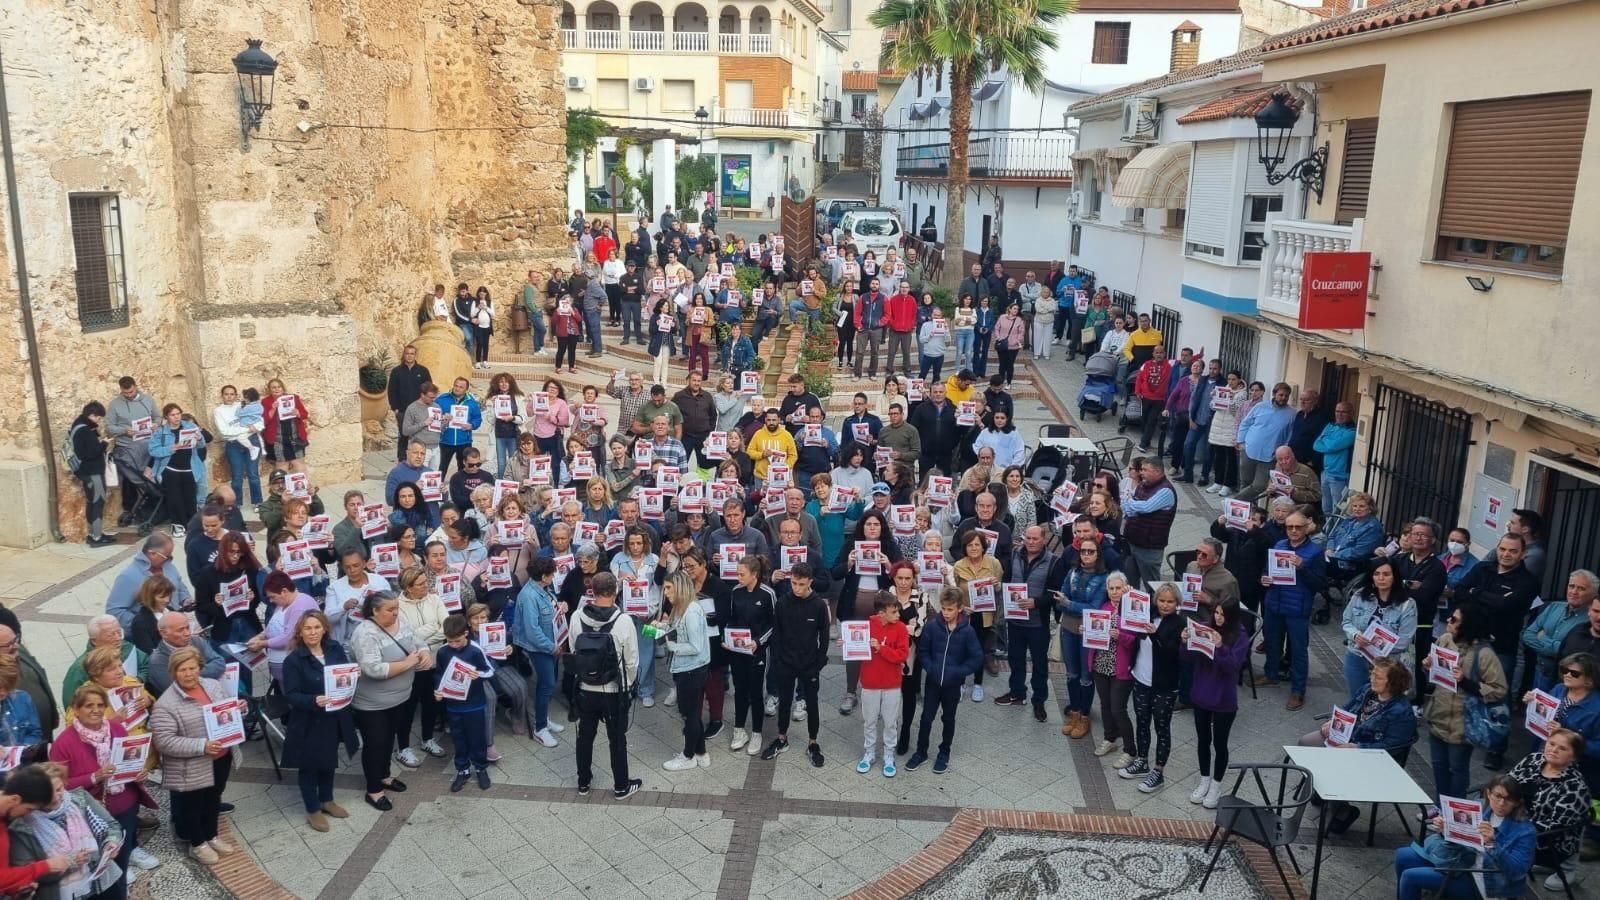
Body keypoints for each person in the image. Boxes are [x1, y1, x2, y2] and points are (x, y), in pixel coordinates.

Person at [1300, 657, 1417, 833]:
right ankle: (1322, 788)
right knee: (1305, 743)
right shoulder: (1368, 690)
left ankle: (1343, 809)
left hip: (1372, 756)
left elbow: (1392, 747)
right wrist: (1333, 722)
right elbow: (1347, 708)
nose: (1372, 678)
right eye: (1372, 673)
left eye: (1378, 677)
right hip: (1347, 738)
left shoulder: (1402, 712)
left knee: (1330, 762)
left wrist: (1358, 748)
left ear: (1393, 683)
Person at [149, 647, 236, 865]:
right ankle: (197, 843)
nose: (189, 674)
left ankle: (211, 835)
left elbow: (224, 711)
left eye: (193, 668)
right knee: (193, 805)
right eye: (182, 669)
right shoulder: (166, 704)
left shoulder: (213, 685)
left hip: (220, 757)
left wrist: (236, 711)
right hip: (192, 765)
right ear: (173, 673)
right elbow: (164, 741)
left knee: (213, 798)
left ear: (200, 668)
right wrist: (201, 746)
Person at [1393, 775, 1534, 900]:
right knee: (1402, 855)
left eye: (1508, 799)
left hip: (1484, 883)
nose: (1502, 803)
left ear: (1516, 802)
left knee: (1410, 877)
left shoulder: (1525, 831)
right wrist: (1445, 830)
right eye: (1498, 796)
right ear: (1489, 794)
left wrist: (1492, 844)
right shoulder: (1481, 809)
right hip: (1463, 861)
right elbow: (1463, 840)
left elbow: (1517, 871)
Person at [349, 590, 428, 812]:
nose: (396, 613)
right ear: (375, 611)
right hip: (373, 703)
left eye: (397, 608)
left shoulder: (400, 620)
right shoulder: (365, 633)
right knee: (375, 743)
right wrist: (409, 662)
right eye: (390, 610)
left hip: (400, 697)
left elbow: (417, 639)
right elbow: (373, 669)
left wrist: (424, 651)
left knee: (388, 739)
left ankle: (384, 776)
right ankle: (373, 790)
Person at [279, 610, 357, 831]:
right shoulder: (293, 660)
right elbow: (291, 695)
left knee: (329, 760)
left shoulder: (334, 648)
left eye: (316, 627)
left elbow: (344, 673)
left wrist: (351, 677)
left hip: (333, 715)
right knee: (309, 766)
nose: (313, 632)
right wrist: (314, 700)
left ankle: (327, 799)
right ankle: (312, 809)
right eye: (308, 628)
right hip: (308, 720)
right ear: (300, 632)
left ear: (324, 629)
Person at [569, 573, 642, 799]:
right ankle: (621, 786)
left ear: (592, 591)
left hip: (585, 689)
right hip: (613, 691)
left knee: (585, 736)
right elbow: (632, 660)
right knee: (617, 739)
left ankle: (583, 782)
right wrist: (628, 686)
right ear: (616, 591)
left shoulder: (576, 617)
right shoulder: (624, 621)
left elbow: (574, 650)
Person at [1423, 604, 1506, 802]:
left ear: (1468, 625)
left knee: (1458, 768)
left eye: (1454, 620)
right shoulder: (1444, 640)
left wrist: (1466, 682)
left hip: (1464, 724)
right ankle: (1440, 806)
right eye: (1450, 618)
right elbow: (1435, 674)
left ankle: (1456, 810)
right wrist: (1428, 665)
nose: (1448, 622)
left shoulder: (1484, 654)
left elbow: (1499, 690)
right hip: (1439, 715)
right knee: (1439, 766)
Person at [905, 588, 984, 774]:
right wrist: (930, 668)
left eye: (950, 609)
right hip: (933, 682)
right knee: (926, 718)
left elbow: (976, 657)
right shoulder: (933, 626)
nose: (946, 613)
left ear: (959, 609)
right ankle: (921, 752)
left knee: (948, 718)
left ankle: (944, 752)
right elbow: (923, 650)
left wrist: (959, 672)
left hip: (952, 684)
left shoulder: (967, 631)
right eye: (944, 609)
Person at [761, 561, 831, 764]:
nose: (797, 588)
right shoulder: (783, 602)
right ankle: (782, 738)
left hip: (809, 664)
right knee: (784, 701)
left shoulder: (818, 605)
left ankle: (813, 742)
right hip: (786, 663)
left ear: (810, 582)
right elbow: (777, 634)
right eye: (794, 583)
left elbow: (824, 636)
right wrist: (778, 660)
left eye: (802, 584)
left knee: (812, 703)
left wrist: (818, 663)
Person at [1116, 583, 1183, 793]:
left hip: (1164, 685)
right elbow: (1125, 614)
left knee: (1162, 727)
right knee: (1142, 722)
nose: (1165, 605)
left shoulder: (1180, 623)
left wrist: (1155, 635)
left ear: (1177, 603)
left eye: (1170, 601)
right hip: (1141, 678)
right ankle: (1143, 760)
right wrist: (1128, 596)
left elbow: (1172, 652)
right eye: (1162, 600)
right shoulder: (1148, 614)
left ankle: (1158, 771)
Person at [1255, 510, 1324, 711]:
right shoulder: (1279, 545)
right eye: (1289, 527)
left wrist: (1303, 567)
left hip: (1297, 607)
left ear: (1306, 528)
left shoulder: (1315, 551)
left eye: (1298, 527)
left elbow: (1319, 584)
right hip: (1275, 602)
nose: (1293, 530)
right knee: (1272, 642)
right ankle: (1271, 674)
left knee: (1298, 650)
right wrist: (1264, 578)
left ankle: (1298, 690)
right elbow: (1268, 570)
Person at [1506, 728, 1592, 888]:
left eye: (1563, 748)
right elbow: (1507, 785)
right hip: (1516, 823)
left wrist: (1514, 831)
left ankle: (1567, 869)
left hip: (1548, 841)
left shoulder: (1574, 786)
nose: (1554, 749)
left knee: (1495, 849)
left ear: (1573, 756)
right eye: (1551, 743)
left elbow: (1556, 825)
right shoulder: (1533, 759)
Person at [1186, 596, 1250, 809]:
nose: (1218, 618)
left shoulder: (1240, 636)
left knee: (1220, 743)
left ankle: (1216, 784)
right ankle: (1204, 779)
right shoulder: (1204, 627)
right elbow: (1185, 657)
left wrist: (1220, 646)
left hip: (1224, 698)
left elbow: (1233, 667)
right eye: (1216, 613)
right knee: (1203, 740)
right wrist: (1185, 640)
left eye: (1223, 614)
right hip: (1201, 693)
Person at [996, 526, 1056, 723]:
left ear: (1043, 539)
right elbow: (1006, 580)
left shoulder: (1053, 560)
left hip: (1038, 622)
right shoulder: (1014, 555)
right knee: (1015, 658)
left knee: (1039, 663)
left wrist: (1036, 602)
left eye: (1035, 539)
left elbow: (1055, 594)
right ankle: (1017, 692)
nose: (1030, 542)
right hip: (1015, 620)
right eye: (1027, 538)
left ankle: (1039, 700)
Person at [1341, 558, 1418, 705]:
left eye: (1386, 574)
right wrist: (1356, 635)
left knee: (1382, 704)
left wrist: (1377, 648)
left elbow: (1404, 640)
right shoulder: (1360, 596)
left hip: (1387, 663)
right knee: (1357, 701)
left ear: (1395, 577)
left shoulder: (1407, 605)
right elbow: (1346, 622)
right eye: (1377, 574)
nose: (1381, 578)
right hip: (1357, 656)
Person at [431, 614, 494, 793]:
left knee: (477, 737)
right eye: (450, 641)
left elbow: (489, 670)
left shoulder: (475, 650)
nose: (453, 645)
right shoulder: (443, 651)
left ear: (466, 634)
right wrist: (438, 690)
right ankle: (462, 769)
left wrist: (479, 675)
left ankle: (481, 767)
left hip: (474, 703)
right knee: (458, 737)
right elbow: (439, 674)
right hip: (453, 704)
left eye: (457, 641)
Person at [658, 570, 712, 771]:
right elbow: (678, 632)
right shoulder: (680, 609)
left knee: (689, 715)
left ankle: (688, 756)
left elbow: (695, 646)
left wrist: (673, 647)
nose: (666, 592)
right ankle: (701, 752)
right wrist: (663, 628)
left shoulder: (691, 611)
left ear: (680, 587)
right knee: (692, 714)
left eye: (669, 588)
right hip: (687, 669)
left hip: (692, 670)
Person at [853, 592, 910, 776]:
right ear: (881, 613)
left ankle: (888, 755)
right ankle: (869, 752)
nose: (898, 615)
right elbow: (856, 646)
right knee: (869, 721)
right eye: (894, 612)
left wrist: (881, 648)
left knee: (890, 722)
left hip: (892, 684)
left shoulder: (901, 628)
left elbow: (902, 655)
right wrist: (847, 643)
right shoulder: (866, 626)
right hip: (870, 682)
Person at [726, 556, 777, 756]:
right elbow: (731, 619)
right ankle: (739, 729)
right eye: (737, 573)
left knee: (756, 691)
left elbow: (773, 624)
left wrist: (758, 642)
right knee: (739, 689)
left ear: (754, 574)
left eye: (742, 574)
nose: (738, 577)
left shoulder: (767, 594)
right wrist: (728, 639)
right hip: (738, 650)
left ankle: (756, 732)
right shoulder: (735, 592)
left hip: (758, 651)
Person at [1524, 571, 1598, 693]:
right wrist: (1556, 645)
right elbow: (1527, 635)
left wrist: (1543, 638)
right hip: (1539, 673)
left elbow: (1572, 652)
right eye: (1571, 586)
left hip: (1566, 681)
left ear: (1593, 594)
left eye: (1581, 589)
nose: (1574, 592)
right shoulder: (1554, 606)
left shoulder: (1590, 620)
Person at [146, 403, 207, 533]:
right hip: (170, 469)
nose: (176, 417)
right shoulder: (161, 431)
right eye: (173, 415)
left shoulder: (190, 426)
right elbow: (153, 450)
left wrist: (199, 437)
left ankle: (192, 525)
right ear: (167, 417)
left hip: (189, 468)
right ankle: (178, 525)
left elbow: (201, 445)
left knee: (190, 498)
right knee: (175, 499)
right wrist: (171, 448)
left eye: (178, 414)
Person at [1233, 383, 1296, 502]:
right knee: (1245, 482)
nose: (1283, 398)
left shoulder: (1291, 414)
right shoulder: (1260, 406)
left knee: (1259, 486)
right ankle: (1247, 513)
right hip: (1249, 450)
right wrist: (1241, 441)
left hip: (1269, 456)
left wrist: (1281, 454)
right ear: (1274, 394)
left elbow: (1289, 435)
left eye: (1286, 396)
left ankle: (1236, 503)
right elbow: (1245, 423)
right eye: (1281, 395)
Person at [1122, 457, 1177, 583]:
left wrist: (1133, 504)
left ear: (1157, 471)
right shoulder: (1142, 485)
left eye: (1145, 470)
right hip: (1132, 542)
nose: (1141, 473)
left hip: (1149, 548)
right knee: (1129, 583)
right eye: (1141, 469)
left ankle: (1154, 603)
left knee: (1152, 586)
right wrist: (1133, 504)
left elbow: (1147, 507)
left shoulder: (1165, 491)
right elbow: (1127, 507)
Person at [145, 613, 225, 697]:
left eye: (188, 628)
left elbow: (219, 663)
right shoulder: (156, 661)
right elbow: (177, 688)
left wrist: (190, 674)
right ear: (164, 633)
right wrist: (206, 672)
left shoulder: (197, 641)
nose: (187, 633)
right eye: (180, 630)